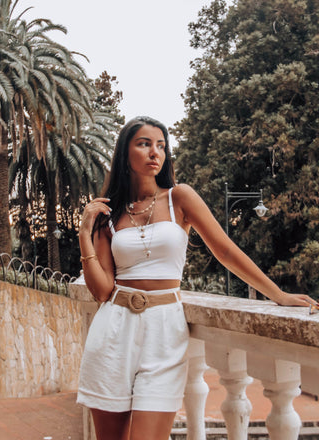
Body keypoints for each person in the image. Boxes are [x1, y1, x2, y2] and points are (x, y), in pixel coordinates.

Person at [77, 116, 317, 440]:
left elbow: (226, 251)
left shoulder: (180, 198)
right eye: (144, 143)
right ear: (125, 153)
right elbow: (103, 290)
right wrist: (84, 233)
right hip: (113, 331)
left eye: (160, 145)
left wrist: (278, 294)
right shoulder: (110, 214)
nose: (154, 152)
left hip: (164, 330)